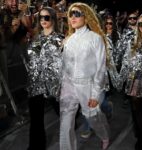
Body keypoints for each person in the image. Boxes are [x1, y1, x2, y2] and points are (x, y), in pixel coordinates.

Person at [60, 2, 109, 150]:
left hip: (87, 86)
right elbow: (64, 67)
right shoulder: (68, 39)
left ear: (86, 17)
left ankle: (104, 135)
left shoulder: (95, 38)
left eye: (77, 14)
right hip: (68, 86)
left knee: (92, 117)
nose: (72, 17)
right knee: (65, 124)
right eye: (70, 14)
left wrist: (95, 94)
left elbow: (101, 68)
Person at [26, 7, 64, 150]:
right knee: (36, 118)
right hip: (36, 83)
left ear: (53, 19)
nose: (43, 20)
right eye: (40, 17)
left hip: (53, 84)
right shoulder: (35, 38)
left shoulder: (60, 39)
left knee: (63, 112)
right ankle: (36, 146)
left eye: (46, 17)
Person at [118, 13, 142, 150]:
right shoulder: (132, 41)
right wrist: (121, 80)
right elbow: (125, 62)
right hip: (135, 81)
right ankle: (141, 137)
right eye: (140, 24)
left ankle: (140, 129)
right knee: (136, 111)